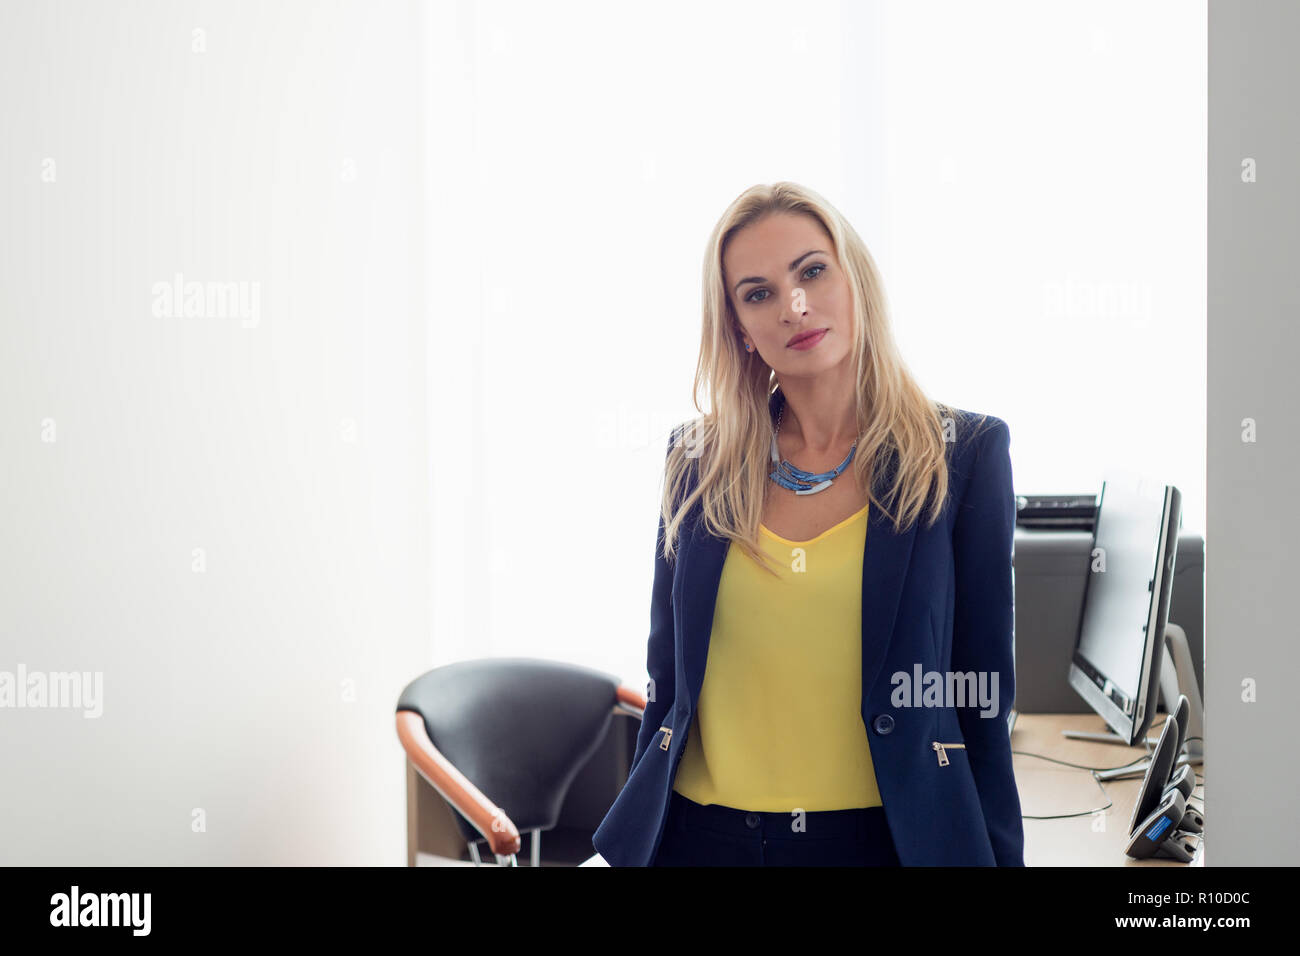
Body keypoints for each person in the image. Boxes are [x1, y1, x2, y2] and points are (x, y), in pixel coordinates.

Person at [592, 181, 1024, 866]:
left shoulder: (960, 454)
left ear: (855, 278)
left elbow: (982, 692)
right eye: (758, 293)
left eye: (812, 271)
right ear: (738, 324)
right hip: (701, 838)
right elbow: (668, 680)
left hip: (882, 842)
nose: (795, 307)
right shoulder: (697, 460)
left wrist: (998, 854)